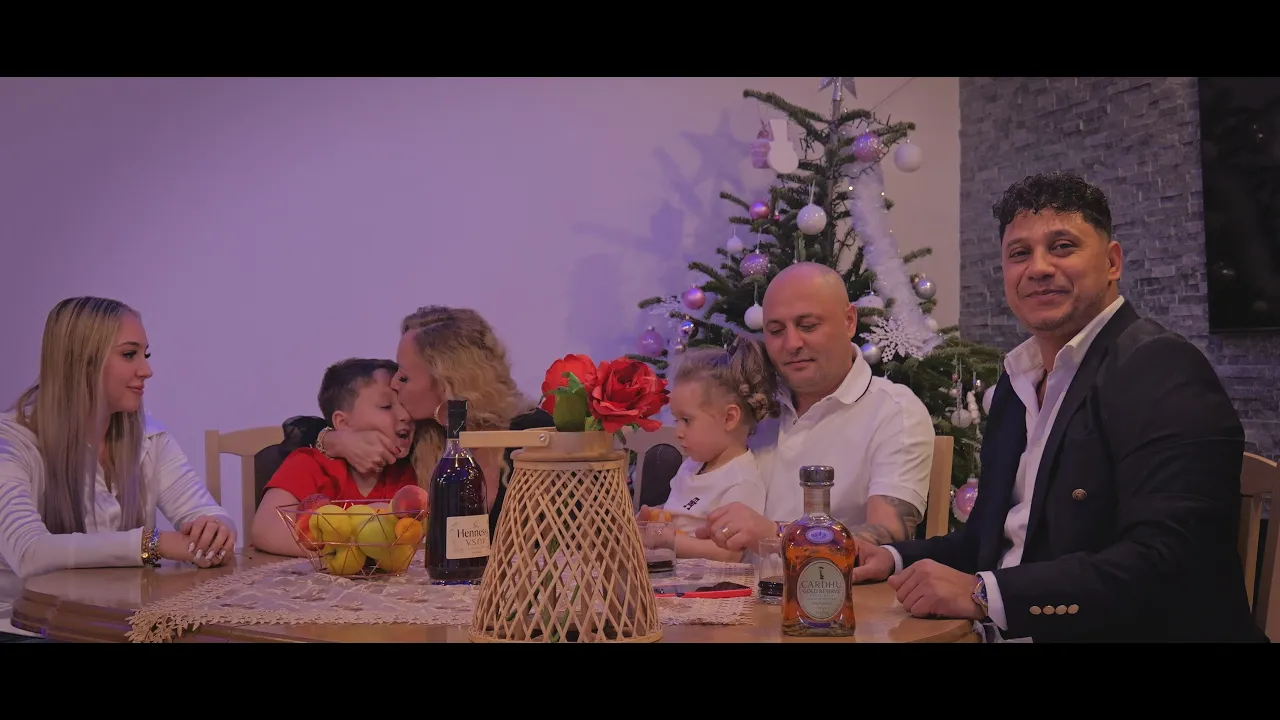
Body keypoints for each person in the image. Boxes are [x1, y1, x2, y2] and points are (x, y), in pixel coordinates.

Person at [853, 171, 1266, 643]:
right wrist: (893, 557)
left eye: (1063, 246)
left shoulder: (1162, 368)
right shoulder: (1017, 382)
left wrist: (985, 594)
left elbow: (1169, 559)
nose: (1039, 267)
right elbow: (988, 538)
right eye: (1019, 253)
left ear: (1112, 262)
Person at [0, 297, 236, 640]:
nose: (146, 370)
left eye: (145, 354)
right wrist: (152, 544)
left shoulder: (150, 437)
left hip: (117, 625)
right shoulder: (11, 442)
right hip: (24, 628)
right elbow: (29, 551)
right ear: (81, 362)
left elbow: (207, 512)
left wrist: (216, 531)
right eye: (129, 355)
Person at [695, 262, 935, 556]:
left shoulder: (895, 411)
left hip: (827, 584)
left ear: (849, 321)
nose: (792, 343)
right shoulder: (749, 403)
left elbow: (889, 538)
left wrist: (775, 535)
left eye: (808, 326)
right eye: (776, 330)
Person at [292, 306, 552, 536]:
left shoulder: (532, 433)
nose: (394, 383)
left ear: (446, 384)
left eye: (404, 377)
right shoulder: (422, 435)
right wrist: (336, 440)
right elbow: (294, 437)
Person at [251, 358, 417, 557]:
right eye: (386, 406)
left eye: (405, 404)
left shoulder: (407, 473)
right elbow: (265, 530)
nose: (405, 415)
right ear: (343, 423)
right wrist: (344, 553)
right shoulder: (309, 464)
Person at [638, 338, 778, 562]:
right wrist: (653, 519)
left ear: (729, 418)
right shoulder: (692, 465)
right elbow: (680, 512)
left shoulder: (741, 481)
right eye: (676, 420)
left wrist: (668, 540)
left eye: (686, 420)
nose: (678, 432)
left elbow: (728, 553)